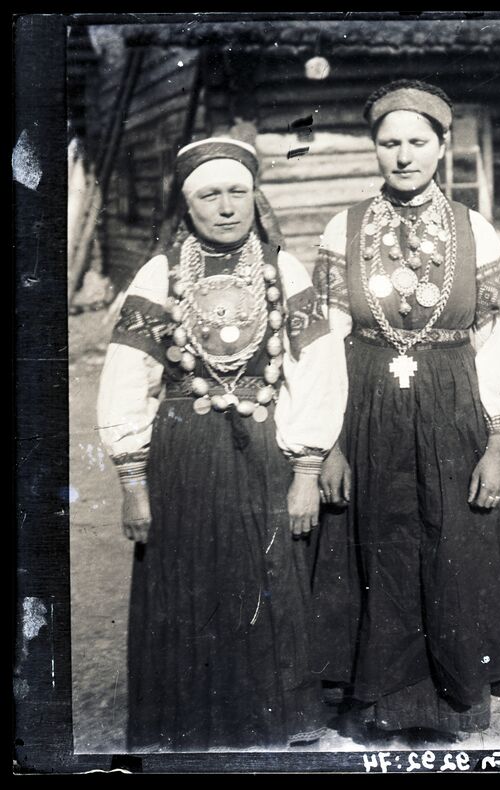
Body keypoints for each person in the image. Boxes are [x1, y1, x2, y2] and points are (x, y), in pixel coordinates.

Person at [97, 137, 347, 751]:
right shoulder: (159, 275)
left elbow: (316, 371)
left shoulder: (282, 271)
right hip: (182, 452)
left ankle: (273, 722)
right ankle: (186, 725)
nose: (227, 207)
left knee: (267, 576)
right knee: (184, 579)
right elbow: (128, 377)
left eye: (239, 192)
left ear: (255, 196)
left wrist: (306, 470)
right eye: (210, 195)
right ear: (187, 205)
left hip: (264, 447)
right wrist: (133, 481)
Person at [311, 80, 500, 740]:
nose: (404, 156)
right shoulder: (342, 229)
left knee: (450, 539)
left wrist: (498, 445)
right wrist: (328, 444)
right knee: (378, 546)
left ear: (442, 146)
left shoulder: (474, 231)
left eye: (418, 142)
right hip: (366, 409)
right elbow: (323, 341)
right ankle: (380, 703)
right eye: (390, 143)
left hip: (452, 409)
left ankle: (454, 699)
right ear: (374, 149)